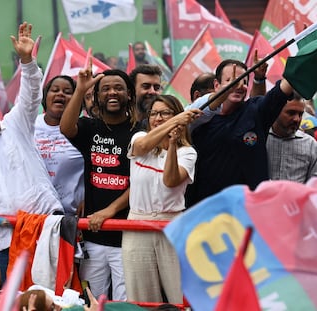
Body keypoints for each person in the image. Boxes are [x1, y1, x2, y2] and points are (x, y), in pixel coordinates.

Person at [0, 22, 64, 284]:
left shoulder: (16, 123)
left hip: (46, 227)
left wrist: (27, 61)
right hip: (9, 237)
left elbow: (30, 95)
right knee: (17, 300)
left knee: (57, 297)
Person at [60, 62, 138, 300]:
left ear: (129, 95)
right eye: (105, 89)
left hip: (128, 236)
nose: (112, 92)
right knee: (92, 301)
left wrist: (110, 211)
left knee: (125, 302)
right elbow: (66, 127)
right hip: (93, 237)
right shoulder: (89, 127)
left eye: (118, 88)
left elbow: (140, 182)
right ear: (96, 96)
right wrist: (80, 89)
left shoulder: (140, 131)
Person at [186, 59, 295, 207]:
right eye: (230, 80)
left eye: (243, 82)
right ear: (216, 85)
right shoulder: (199, 118)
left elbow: (284, 88)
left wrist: (303, 62)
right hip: (205, 212)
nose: (238, 86)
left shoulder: (256, 111)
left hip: (247, 212)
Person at [122, 95, 200, 303]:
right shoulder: (139, 137)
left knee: (180, 294)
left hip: (171, 223)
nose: (158, 118)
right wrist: (175, 120)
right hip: (138, 222)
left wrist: (173, 145)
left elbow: (171, 181)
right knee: (141, 295)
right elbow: (141, 147)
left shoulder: (188, 152)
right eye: (154, 113)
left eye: (165, 112)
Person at [34, 75, 84, 216]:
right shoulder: (29, 127)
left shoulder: (85, 129)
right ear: (45, 97)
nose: (60, 94)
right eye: (55, 90)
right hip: (35, 215)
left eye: (68, 92)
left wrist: (91, 200)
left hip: (71, 217)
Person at [267, 92, 317, 182]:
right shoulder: (261, 139)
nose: (297, 119)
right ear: (276, 111)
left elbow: (313, 185)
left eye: (300, 114)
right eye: (291, 113)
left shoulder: (310, 145)